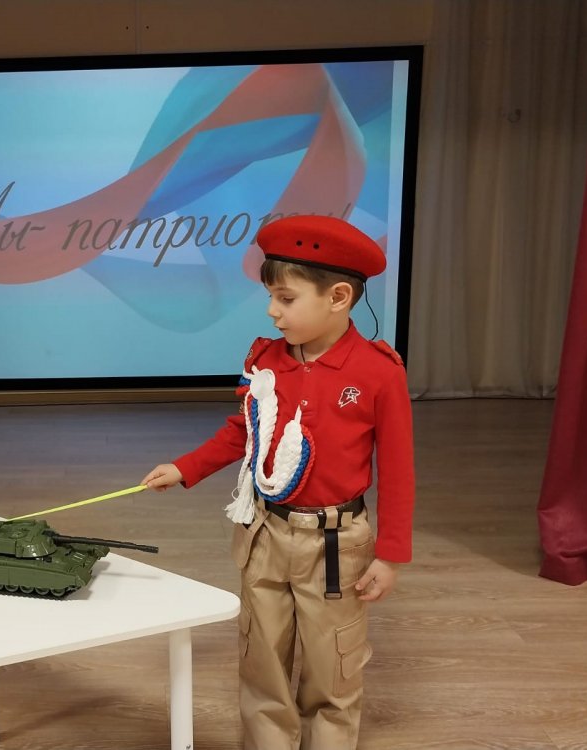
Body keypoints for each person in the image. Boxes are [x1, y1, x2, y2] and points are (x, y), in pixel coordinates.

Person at [142, 214, 415, 750]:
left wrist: (390, 555)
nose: (272, 310)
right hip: (265, 535)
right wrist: (187, 467)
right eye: (271, 297)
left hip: (336, 545)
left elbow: (399, 468)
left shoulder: (379, 372)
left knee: (333, 668)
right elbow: (243, 431)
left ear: (338, 297)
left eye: (286, 299)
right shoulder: (265, 358)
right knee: (261, 659)